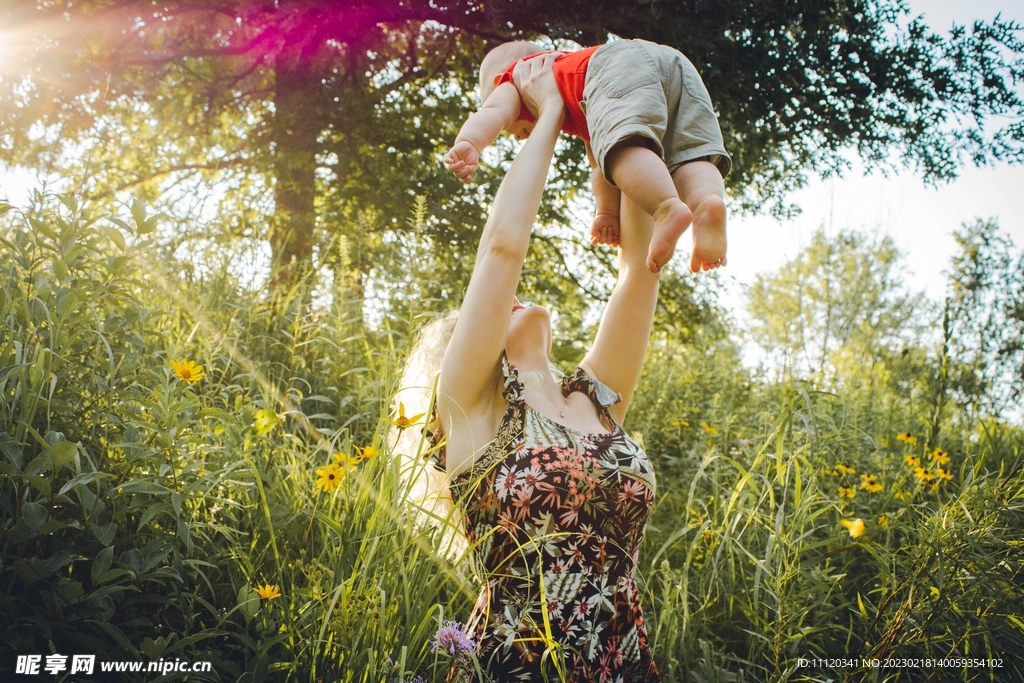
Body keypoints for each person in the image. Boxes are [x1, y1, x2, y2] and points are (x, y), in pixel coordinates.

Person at [402, 55, 661, 682]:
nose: (512, 298)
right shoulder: (474, 409)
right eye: (497, 310)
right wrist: (547, 113)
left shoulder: (594, 401)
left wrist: (607, 114)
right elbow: (502, 246)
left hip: (623, 665)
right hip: (520, 665)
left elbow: (641, 269)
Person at [443, 38, 732, 275]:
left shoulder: (519, 78)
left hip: (616, 64)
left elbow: (492, 112)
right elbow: (600, 165)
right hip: (673, 63)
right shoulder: (582, 97)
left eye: (512, 130)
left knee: (623, 150)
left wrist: (470, 142)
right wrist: (606, 213)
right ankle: (706, 203)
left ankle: (667, 207)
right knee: (689, 153)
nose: (518, 135)